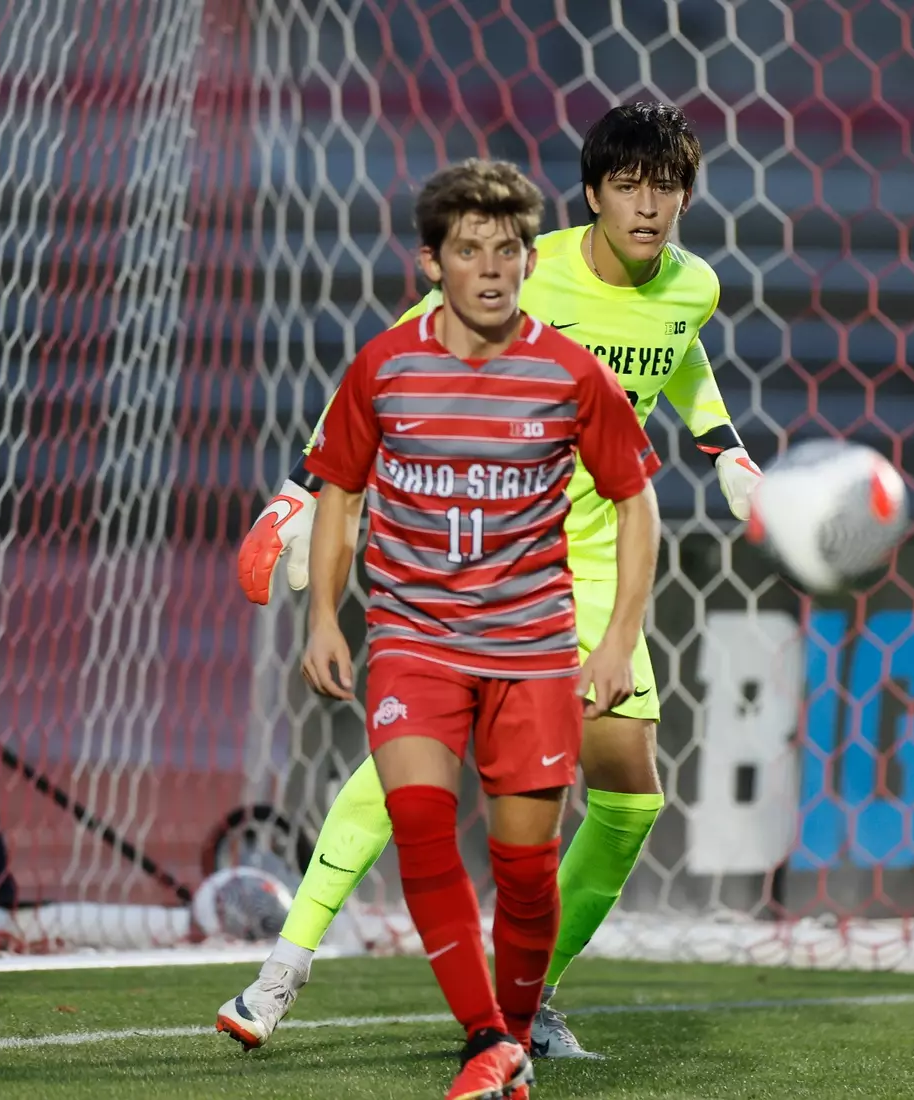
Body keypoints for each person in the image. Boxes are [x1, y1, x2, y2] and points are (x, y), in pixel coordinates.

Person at [220, 102, 761, 1059]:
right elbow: (381, 374)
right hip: (488, 543)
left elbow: (681, 358)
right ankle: (282, 969)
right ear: (591, 194)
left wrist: (726, 452)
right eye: (627, 186)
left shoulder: (694, 286)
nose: (648, 206)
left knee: (631, 797)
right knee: (414, 758)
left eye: (666, 187)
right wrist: (299, 494)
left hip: (593, 557)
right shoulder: (523, 267)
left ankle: (530, 997)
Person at [248, 156, 662, 1100]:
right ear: (431, 261)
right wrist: (324, 616)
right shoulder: (386, 366)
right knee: (424, 820)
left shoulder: (569, 374)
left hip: (531, 646)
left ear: (526, 257)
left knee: (523, 872)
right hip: (415, 638)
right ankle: (483, 1035)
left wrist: (613, 638)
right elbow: (342, 488)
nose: (492, 268)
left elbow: (638, 504)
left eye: (508, 249)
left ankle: (511, 1035)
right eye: (469, 250)